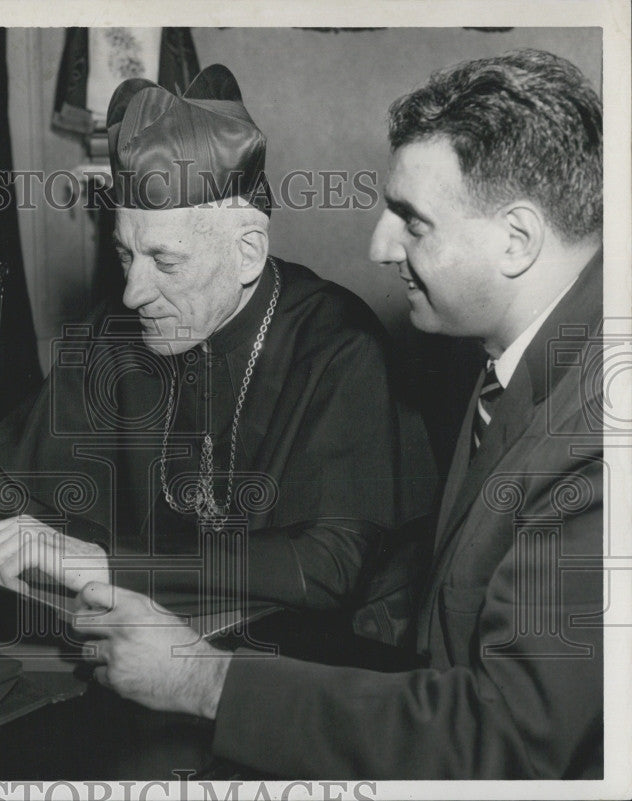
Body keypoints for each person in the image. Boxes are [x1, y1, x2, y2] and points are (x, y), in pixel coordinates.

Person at [71, 49, 606, 779]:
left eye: (412, 221)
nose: (378, 245)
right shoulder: (536, 356)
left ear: (516, 240)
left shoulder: (597, 437)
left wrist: (202, 678)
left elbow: (509, 737)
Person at [0, 65, 436, 650]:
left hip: (300, 659)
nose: (135, 292)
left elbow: (329, 567)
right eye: (124, 256)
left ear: (248, 251)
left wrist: (103, 563)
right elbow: (19, 467)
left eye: (165, 261)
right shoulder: (121, 329)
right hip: (148, 632)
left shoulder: (338, 346)